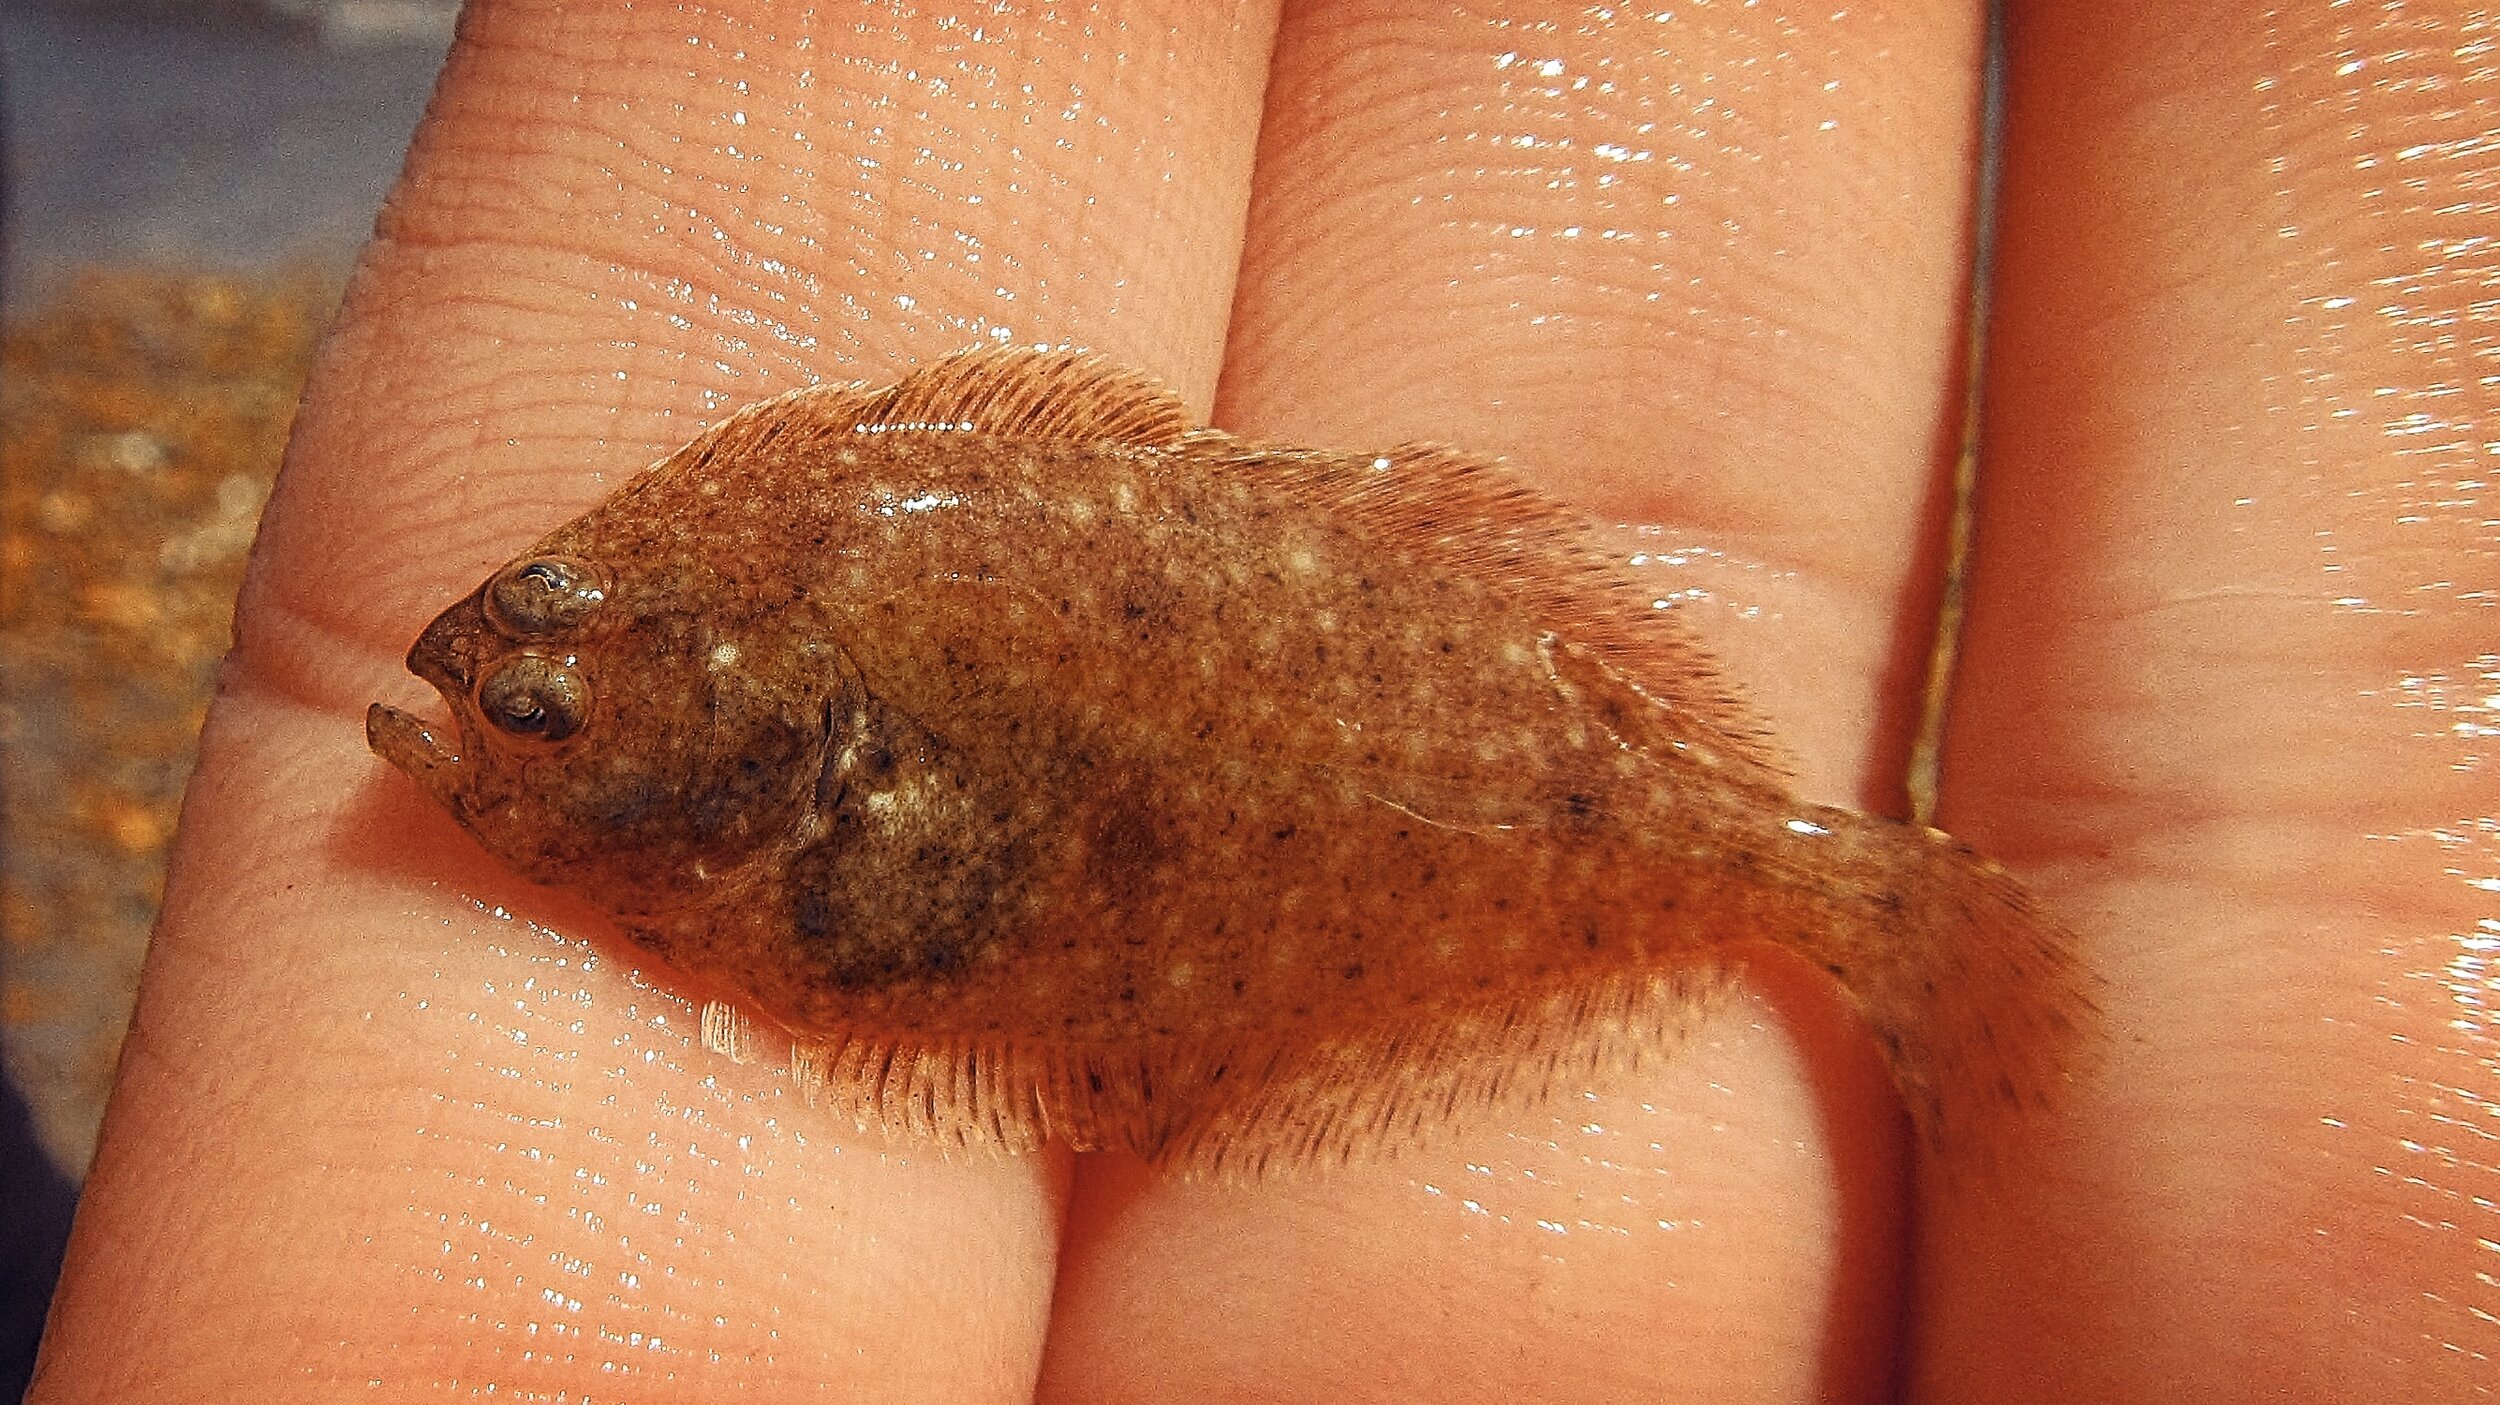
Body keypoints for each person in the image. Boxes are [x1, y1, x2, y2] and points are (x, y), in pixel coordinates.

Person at [29, 5, 2494, 1401]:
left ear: (718, 706)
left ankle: (1824, 898)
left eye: (542, 711)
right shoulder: (802, 598)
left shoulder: (824, 603)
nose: (480, 725)